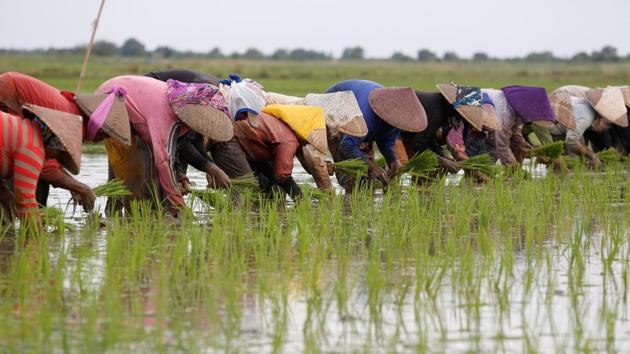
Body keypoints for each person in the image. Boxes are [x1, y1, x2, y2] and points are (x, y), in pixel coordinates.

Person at [82, 75, 233, 216]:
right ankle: (128, 221)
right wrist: (179, 205)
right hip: (111, 106)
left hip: (126, 107)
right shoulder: (164, 114)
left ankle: (116, 216)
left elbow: (171, 149)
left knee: (149, 181)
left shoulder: (177, 107)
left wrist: (178, 175)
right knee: (138, 184)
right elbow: (163, 161)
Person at [0, 72, 125, 211]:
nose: (103, 140)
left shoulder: (72, 113)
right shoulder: (70, 120)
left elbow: (48, 158)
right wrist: (81, 188)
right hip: (7, 95)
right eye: (105, 136)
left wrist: (73, 186)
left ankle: (16, 218)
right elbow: (44, 165)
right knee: (25, 167)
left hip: (8, 89)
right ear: (99, 129)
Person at [145, 70, 252, 183]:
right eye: (244, 114)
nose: (245, 119)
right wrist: (209, 168)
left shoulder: (219, 98)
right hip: (147, 99)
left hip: (164, 111)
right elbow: (182, 142)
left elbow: (195, 137)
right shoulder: (207, 94)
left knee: (178, 178)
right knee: (156, 177)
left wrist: (208, 166)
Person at [325, 80, 427, 192]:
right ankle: (349, 203)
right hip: (334, 108)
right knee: (352, 178)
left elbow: (386, 143)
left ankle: (362, 202)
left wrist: (393, 161)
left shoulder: (397, 119)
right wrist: (373, 167)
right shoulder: (368, 116)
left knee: (368, 179)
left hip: (361, 120)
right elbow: (347, 144)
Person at [400, 83, 502, 182]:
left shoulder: (442, 108)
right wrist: (441, 160)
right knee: (401, 167)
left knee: (433, 171)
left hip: (407, 132)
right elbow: (418, 144)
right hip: (395, 131)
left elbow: (428, 139)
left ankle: (424, 194)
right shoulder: (437, 112)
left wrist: (442, 157)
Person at [0, 105, 82, 227]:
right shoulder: (33, 146)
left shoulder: (25, 128)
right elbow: (25, 200)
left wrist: (7, 196)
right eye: (60, 153)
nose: (56, 158)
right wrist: (37, 237)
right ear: (54, 144)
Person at [548, 85, 629, 166]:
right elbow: (571, 140)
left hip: (572, 108)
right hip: (562, 101)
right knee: (572, 150)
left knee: (575, 147)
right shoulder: (588, 116)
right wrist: (592, 156)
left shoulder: (608, 114)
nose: (602, 129)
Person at [481, 86, 556, 168]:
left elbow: (516, 137)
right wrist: (513, 167)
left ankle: (485, 173)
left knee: (492, 151)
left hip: (492, 120)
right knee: (492, 146)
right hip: (477, 111)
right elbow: (501, 144)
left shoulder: (517, 111)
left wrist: (534, 153)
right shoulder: (505, 112)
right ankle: (481, 173)